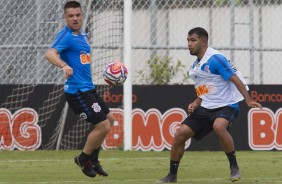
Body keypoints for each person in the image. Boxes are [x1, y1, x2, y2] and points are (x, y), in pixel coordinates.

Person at [159, 27, 262, 183]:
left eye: (193, 40)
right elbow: (207, 88)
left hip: (227, 104)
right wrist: (197, 101)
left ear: (203, 41)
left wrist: (247, 99)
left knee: (219, 126)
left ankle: (234, 167)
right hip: (207, 106)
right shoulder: (196, 67)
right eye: (188, 40)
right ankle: (172, 176)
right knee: (180, 133)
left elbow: (233, 78)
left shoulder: (215, 59)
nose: (189, 44)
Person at [45, 1, 115, 178]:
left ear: (82, 15)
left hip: (88, 89)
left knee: (110, 120)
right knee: (102, 125)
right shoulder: (66, 35)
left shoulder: (82, 35)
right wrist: (63, 65)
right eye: (71, 16)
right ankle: (83, 159)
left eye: (77, 15)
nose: (75, 18)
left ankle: (94, 159)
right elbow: (50, 53)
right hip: (77, 92)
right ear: (65, 17)